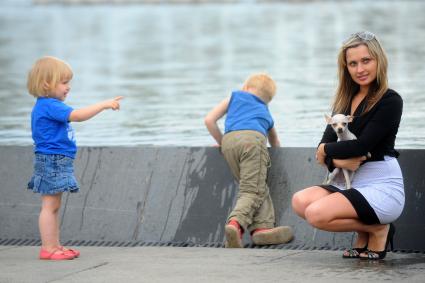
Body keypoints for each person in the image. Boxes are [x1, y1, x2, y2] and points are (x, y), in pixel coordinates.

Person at [291, 31, 404, 260]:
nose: (360, 69)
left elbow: (360, 147)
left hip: (380, 184)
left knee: (316, 214)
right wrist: (335, 157)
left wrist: (326, 152)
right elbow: (323, 145)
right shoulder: (344, 102)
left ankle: (378, 229)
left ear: (378, 61)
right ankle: (371, 229)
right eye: (353, 63)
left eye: (366, 61)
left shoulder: (390, 100)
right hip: (349, 183)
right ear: (346, 68)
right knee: (300, 201)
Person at [27, 56, 123, 260]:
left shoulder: (46, 105)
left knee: (54, 206)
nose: (68, 87)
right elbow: (78, 115)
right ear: (46, 84)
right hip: (51, 159)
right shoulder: (50, 105)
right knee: (49, 206)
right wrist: (103, 105)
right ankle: (48, 248)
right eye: (64, 82)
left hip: (56, 159)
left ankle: (54, 245)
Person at [204, 73, 294, 248]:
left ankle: (261, 229)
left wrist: (222, 143)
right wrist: (280, 157)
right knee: (251, 191)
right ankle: (236, 224)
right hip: (252, 142)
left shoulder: (234, 96)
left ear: (245, 87)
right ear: (267, 100)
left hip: (229, 143)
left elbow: (209, 120)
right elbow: (274, 141)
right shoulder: (265, 112)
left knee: (257, 187)